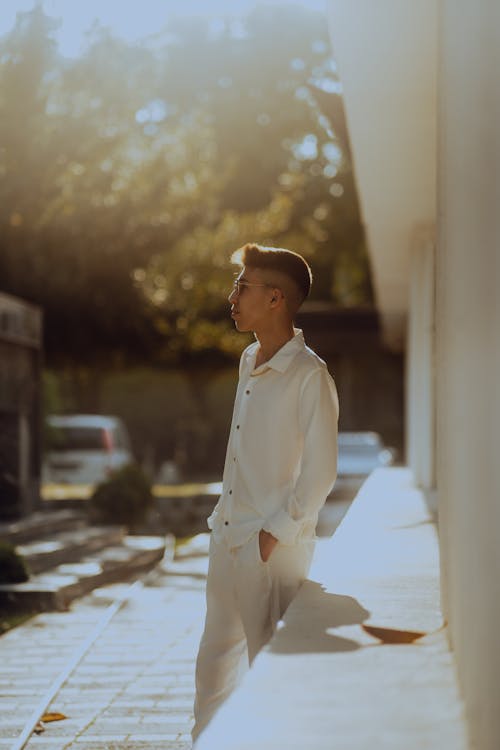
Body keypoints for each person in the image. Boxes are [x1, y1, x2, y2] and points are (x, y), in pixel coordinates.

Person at [191, 243, 339, 744]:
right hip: (227, 537)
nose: (232, 297)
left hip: (267, 549)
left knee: (269, 676)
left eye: (243, 287)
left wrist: (272, 537)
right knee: (212, 672)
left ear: (276, 298)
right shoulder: (249, 357)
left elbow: (320, 472)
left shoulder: (309, 375)